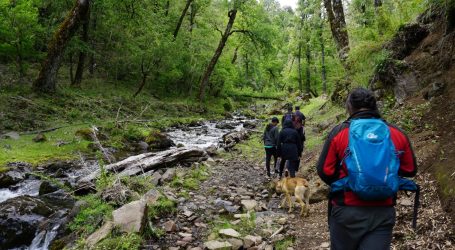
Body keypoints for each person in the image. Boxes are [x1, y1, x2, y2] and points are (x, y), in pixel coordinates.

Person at [317, 88, 417, 250]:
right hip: (382, 211)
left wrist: (350, 181)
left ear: (349, 107)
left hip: (346, 211)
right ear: (374, 106)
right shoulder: (396, 133)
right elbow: (410, 169)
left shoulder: (340, 132)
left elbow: (325, 171)